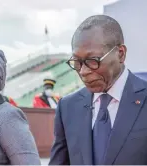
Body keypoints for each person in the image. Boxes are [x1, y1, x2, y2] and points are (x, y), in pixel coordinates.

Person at [49, 15, 147, 165]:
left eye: (93, 61)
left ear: (120, 53)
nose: (83, 72)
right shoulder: (67, 107)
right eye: (77, 62)